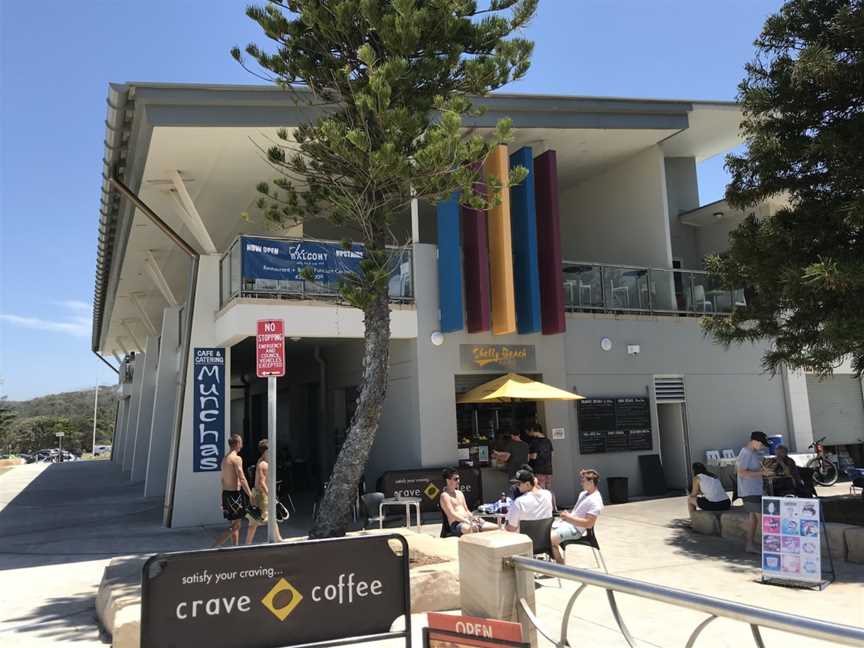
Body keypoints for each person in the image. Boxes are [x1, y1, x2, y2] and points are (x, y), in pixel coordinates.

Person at [550, 469, 603, 564]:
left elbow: (589, 524)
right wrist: (568, 515)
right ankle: (556, 562)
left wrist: (569, 517)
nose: (581, 484)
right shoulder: (583, 494)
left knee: (549, 540)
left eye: (583, 481)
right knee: (542, 534)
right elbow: (578, 513)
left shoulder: (595, 500)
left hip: (576, 530)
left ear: (591, 482)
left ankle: (559, 564)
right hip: (567, 524)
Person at [213, 434, 253, 547]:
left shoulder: (225, 459)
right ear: (237, 444)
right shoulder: (236, 459)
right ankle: (215, 546)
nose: (242, 445)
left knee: (235, 523)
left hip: (226, 494)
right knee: (235, 526)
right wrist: (250, 495)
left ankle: (235, 546)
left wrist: (222, 498)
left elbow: (223, 480)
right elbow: (242, 477)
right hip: (234, 495)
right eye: (241, 443)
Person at [245, 439, 283, 544]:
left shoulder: (263, 462)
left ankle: (278, 538)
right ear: (266, 451)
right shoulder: (263, 464)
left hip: (260, 494)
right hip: (261, 495)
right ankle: (248, 543)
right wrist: (270, 495)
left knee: (269, 517)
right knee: (256, 520)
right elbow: (261, 482)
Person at [440, 467, 497, 536]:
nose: (458, 481)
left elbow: (467, 510)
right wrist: (466, 521)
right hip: (457, 524)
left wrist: (475, 518)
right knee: (473, 529)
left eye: (458, 478)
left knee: (497, 527)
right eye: (455, 479)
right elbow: (452, 514)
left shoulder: (460, 493)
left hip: (469, 520)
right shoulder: (445, 496)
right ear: (448, 480)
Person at [737, 430, 768, 554]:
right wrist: (762, 473)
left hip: (754, 490)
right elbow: (741, 472)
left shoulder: (752, 452)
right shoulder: (746, 453)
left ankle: (749, 545)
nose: (763, 446)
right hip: (750, 491)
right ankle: (770, 546)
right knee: (762, 519)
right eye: (762, 444)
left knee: (754, 519)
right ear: (754, 441)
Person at [505, 468, 553, 532]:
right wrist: (534, 483)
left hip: (524, 540)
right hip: (543, 539)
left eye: (518, 484)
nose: (516, 486)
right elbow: (538, 489)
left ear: (527, 484)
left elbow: (511, 529)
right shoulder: (548, 494)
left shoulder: (519, 502)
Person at [526, 424, 554, 491]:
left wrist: (527, 455)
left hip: (539, 469)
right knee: (549, 489)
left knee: (541, 489)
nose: (529, 433)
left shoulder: (535, 442)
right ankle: (552, 502)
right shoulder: (548, 441)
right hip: (548, 468)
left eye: (530, 431)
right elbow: (552, 454)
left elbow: (534, 456)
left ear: (533, 430)